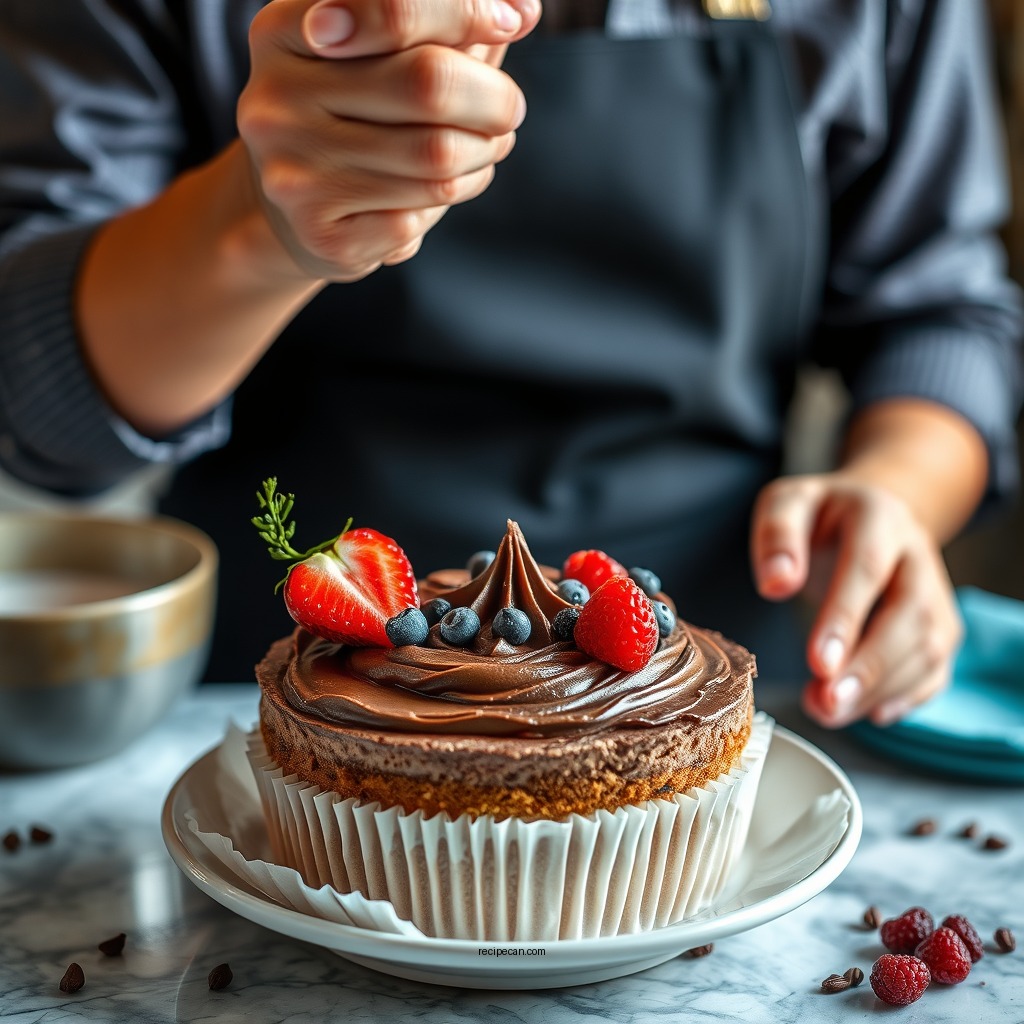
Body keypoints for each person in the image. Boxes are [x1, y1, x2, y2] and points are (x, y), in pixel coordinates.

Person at [0, 0, 1021, 731]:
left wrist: (893, 492)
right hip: (294, 685)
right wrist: (257, 223)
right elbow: (38, 407)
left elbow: (943, 313)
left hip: (709, 685)